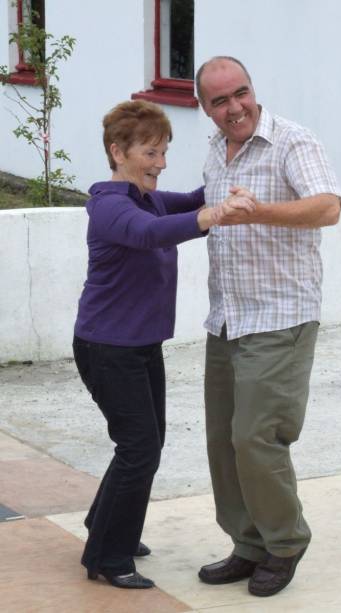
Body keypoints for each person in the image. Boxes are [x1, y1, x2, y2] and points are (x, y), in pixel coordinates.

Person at [72, 99, 253, 589]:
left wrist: (228, 177)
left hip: (139, 344)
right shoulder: (112, 205)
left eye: (164, 151)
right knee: (139, 448)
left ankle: (106, 526)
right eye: (151, 153)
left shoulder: (147, 197)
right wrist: (214, 212)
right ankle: (107, 558)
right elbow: (152, 235)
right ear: (118, 151)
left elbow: (193, 200)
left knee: (142, 445)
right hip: (106, 347)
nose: (161, 163)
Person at [195, 56, 341, 597]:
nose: (235, 107)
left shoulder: (292, 141)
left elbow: (328, 207)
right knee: (222, 442)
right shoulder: (216, 151)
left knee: (257, 438)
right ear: (205, 108)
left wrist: (259, 212)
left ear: (252, 89)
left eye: (240, 92)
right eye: (220, 100)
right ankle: (248, 543)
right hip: (228, 318)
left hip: (281, 316)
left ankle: (285, 543)